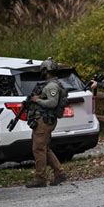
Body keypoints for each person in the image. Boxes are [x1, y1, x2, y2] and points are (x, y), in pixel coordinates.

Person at [25, 58, 67, 188]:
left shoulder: (52, 86)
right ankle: (59, 173)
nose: (41, 72)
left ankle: (40, 178)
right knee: (44, 148)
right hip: (43, 120)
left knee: (38, 149)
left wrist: (37, 100)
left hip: (45, 120)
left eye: (43, 70)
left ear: (46, 71)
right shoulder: (49, 84)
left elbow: (52, 103)